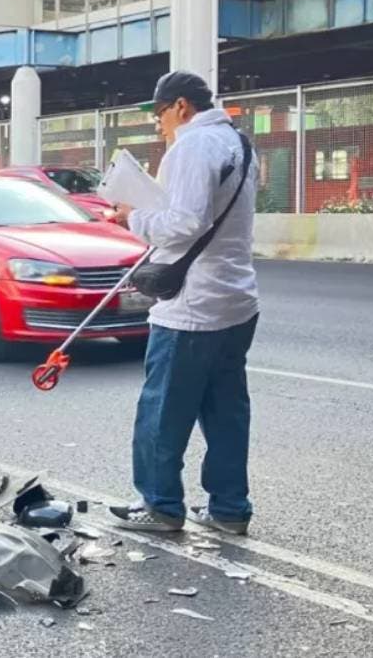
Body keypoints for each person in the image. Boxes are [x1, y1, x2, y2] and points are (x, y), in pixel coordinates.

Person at [107, 70, 260, 536]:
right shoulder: (240, 143)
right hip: (237, 302)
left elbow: (184, 223)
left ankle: (160, 505)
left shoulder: (191, 146)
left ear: (179, 106)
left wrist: (133, 216)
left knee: (162, 412)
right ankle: (230, 508)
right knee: (226, 410)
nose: (159, 126)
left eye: (159, 115)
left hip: (192, 308)